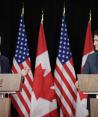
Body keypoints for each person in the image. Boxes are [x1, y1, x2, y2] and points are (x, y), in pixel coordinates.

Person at [76, 30, 98, 115]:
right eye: (94, 40)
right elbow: (84, 77)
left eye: (97, 40)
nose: (94, 43)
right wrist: (79, 82)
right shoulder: (91, 58)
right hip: (95, 103)